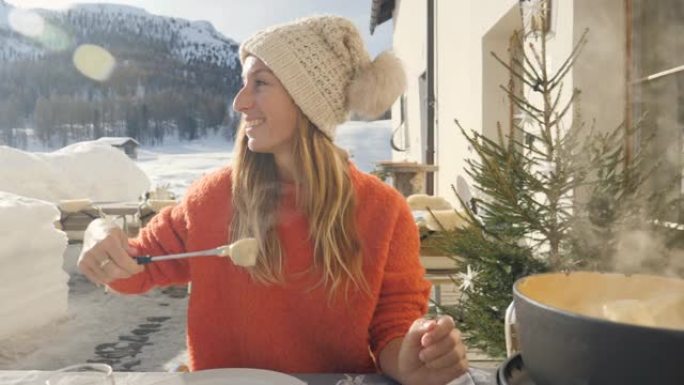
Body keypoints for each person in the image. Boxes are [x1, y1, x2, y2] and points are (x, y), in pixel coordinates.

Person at [78, 15, 468, 385]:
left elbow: (394, 328)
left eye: (260, 83)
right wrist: (100, 233)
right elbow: (136, 267)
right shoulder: (211, 198)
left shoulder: (383, 210)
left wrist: (414, 359)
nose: (240, 102)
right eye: (243, 83)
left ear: (307, 101)